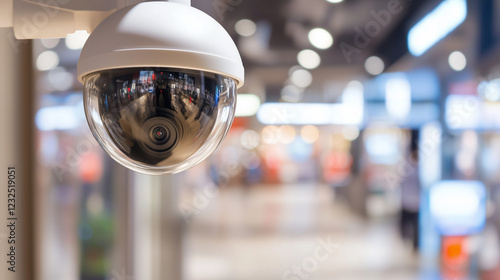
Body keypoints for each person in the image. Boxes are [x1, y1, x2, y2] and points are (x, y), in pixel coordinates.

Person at [400, 148, 421, 251]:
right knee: (409, 224)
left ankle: (413, 243)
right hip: (411, 201)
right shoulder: (416, 169)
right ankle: (410, 242)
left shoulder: (408, 168)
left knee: (411, 225)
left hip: (412, 201)